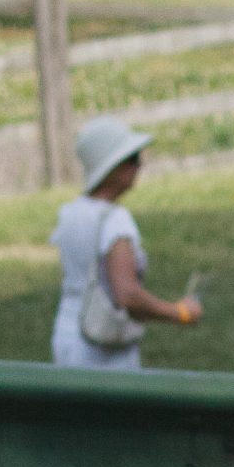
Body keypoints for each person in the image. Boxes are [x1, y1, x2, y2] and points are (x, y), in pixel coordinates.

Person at [50, 116, 203, 370]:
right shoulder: (116, 220)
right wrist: (180, 313)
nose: (139, 165)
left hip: (67, 336)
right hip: (102, 347)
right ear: (110, 168)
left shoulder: (70, 213)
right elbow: (127, 295)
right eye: (131, 159)